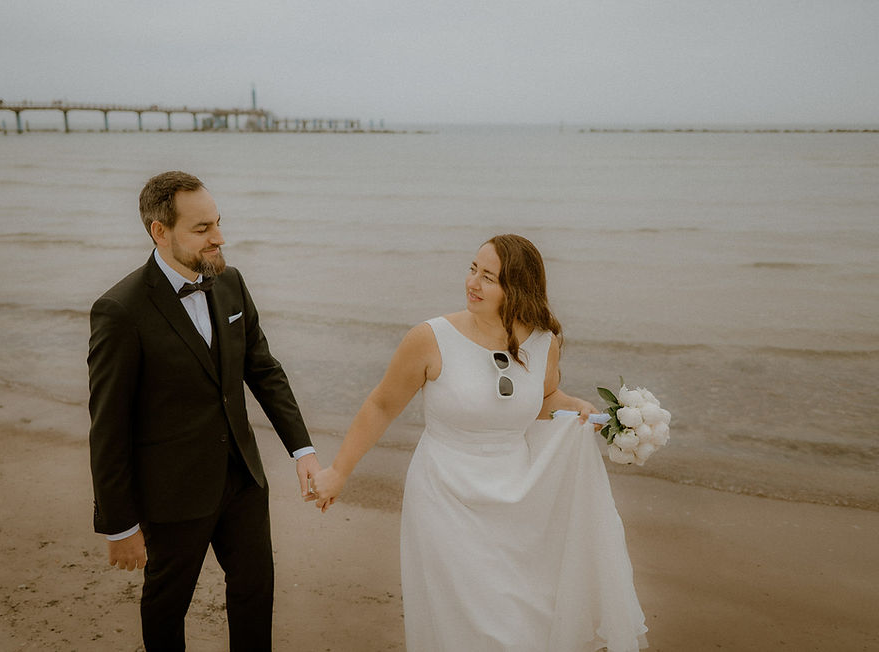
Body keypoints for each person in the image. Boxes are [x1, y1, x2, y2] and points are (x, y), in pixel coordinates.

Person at [312, 234, 648, 651]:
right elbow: (381, 405)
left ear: (518, 288)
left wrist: (576, 407)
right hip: (443, 495)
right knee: (470, 625)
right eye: (473, 269)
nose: (473, 282)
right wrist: (338, 471)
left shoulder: (544, 342)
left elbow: (543, 400)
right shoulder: (430, 338)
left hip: (517, 497)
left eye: (489, 277)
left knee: (522, 618)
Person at [87, 170, 320, 651]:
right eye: (202, 229)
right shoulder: (120, 310)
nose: (219, 237)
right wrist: (119, 524)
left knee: (255, 594)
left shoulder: (230, 283)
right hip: (172, 493)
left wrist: (303, 450)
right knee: (167, 606)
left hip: (242, 479)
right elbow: (108, 427)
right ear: (160, 231)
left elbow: (263, 370)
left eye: (217, 223)